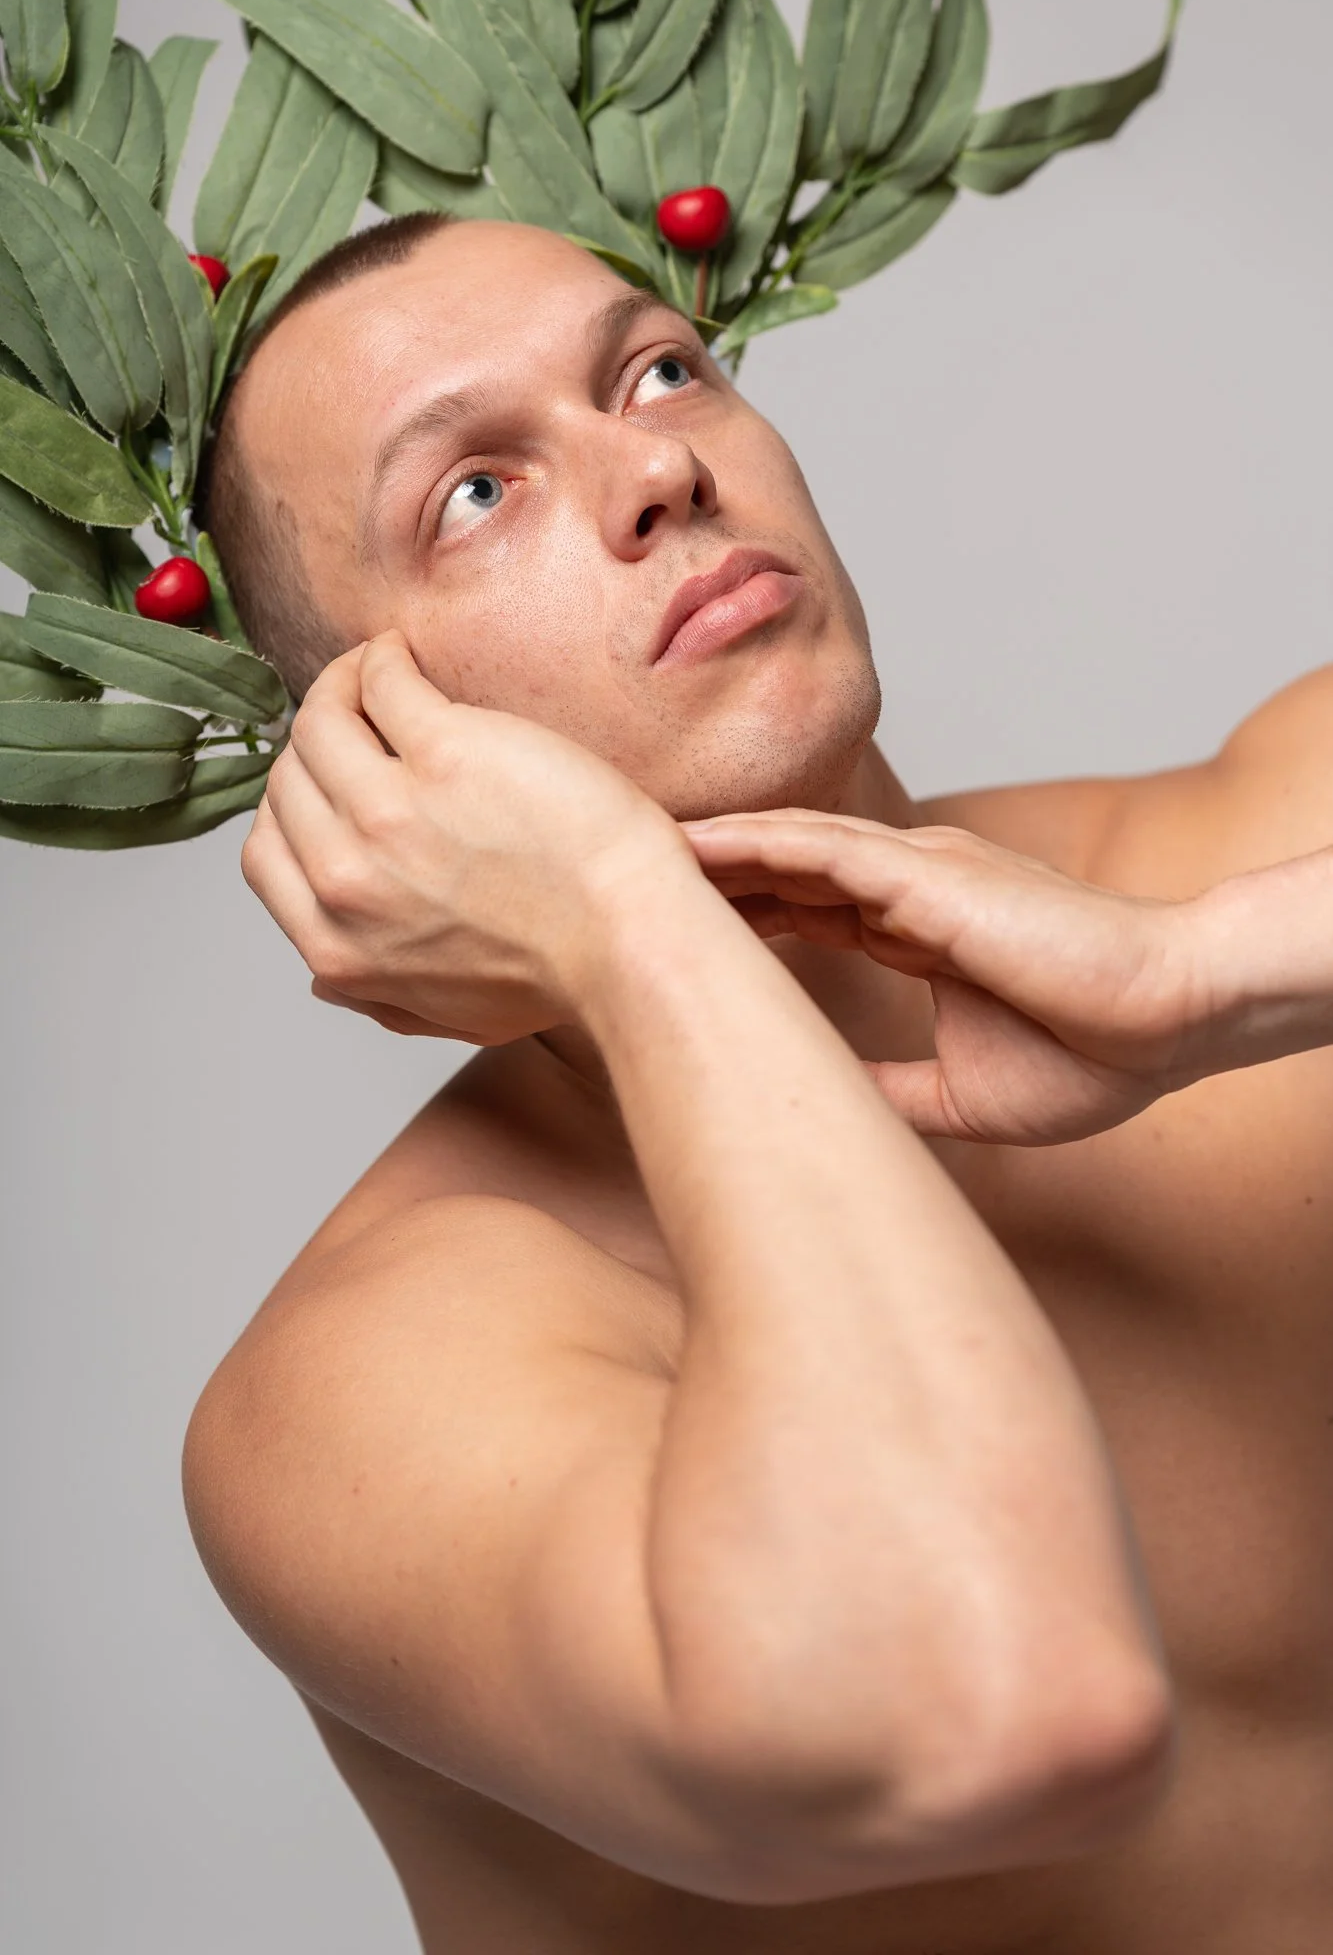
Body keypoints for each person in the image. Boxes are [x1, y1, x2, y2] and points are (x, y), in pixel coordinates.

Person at [183, 208, 1333, 1953]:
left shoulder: (1263, 847)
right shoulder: (362, 1395)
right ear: (366, 749)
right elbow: (991, 1706)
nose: (655, 467)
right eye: (473, 494)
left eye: (658, 369)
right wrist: (630, 920)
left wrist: (1211, 970)